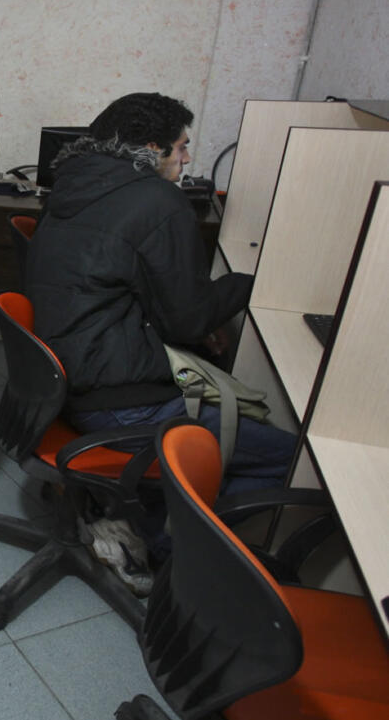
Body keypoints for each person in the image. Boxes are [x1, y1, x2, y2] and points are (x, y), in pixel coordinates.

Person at [24, 92, 293, 571]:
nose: (188, 158)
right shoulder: (158, 199)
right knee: (294, 461)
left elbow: (117, 278)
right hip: (122, 404)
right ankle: (155, 544)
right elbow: (186, 319)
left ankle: (141, 514)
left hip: (66, 385)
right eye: (182, 147)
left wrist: (194, 318)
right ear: (152, 149)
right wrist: (253, 283)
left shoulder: (73, 187)